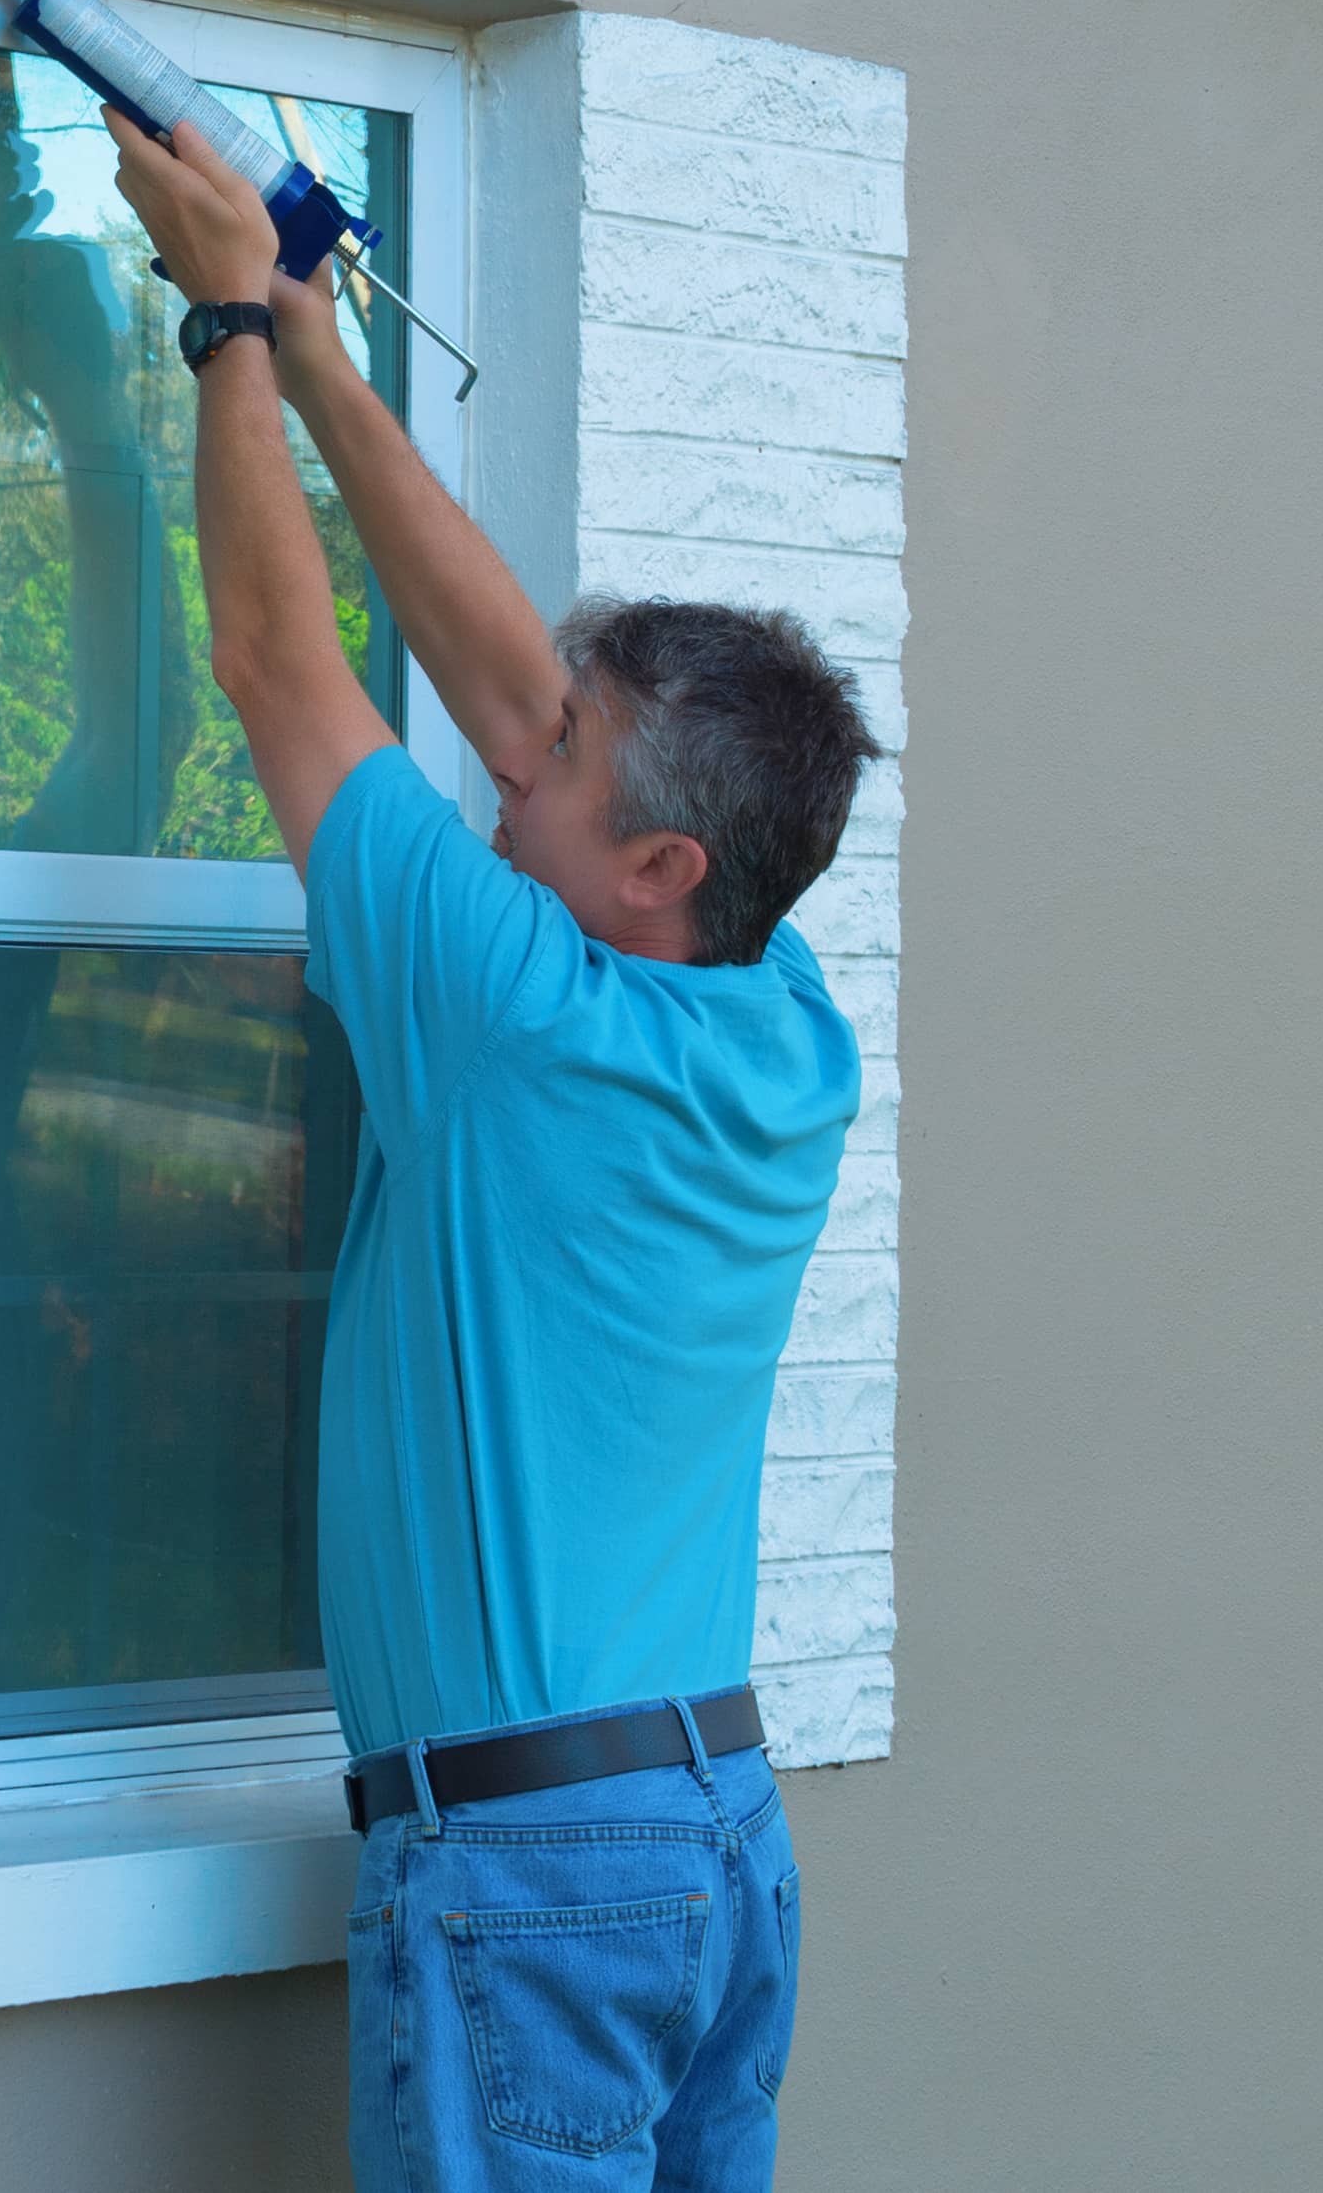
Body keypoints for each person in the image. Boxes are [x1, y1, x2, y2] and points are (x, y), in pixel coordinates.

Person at [106, 115, 880, 2191]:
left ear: (656, 866)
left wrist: (216, 331)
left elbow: (284, 666)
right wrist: (318, 343)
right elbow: (518, 678)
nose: (509, 766)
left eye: (553, 771)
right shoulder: (786, 1027)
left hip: (537, 1872)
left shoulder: (507, 1016)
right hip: (713, 1837)